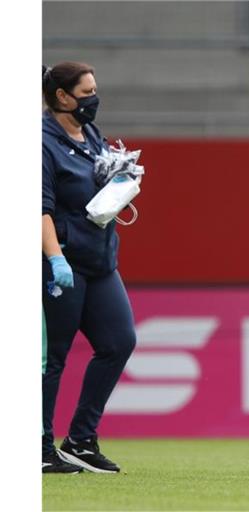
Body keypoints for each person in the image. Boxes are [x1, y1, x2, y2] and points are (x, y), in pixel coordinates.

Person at [42, 62, 136, 474]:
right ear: (62, 96)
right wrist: (54, 259)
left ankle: (81, 439)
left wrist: (120, 181)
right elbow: (38, 209)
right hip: (62, 260)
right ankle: (38, 446)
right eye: (86, 91)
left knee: (119, 342)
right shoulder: (41, 143)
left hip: (99, 260)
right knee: (52, 358)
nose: (93, 99)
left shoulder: (91, 134)